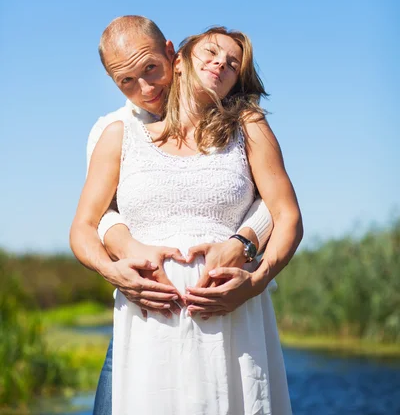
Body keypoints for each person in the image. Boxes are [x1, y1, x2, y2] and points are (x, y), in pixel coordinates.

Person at [74, 25, 303, 414]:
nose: (144, 86)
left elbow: (283, 211)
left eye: (232, 63)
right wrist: (117, 270)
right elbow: (89, 223)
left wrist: (253, 274)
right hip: (149, 316)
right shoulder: (115, 133)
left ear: (169, 56)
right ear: (182, 60)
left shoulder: (248, 127)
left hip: (233, 315)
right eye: (126, 79)